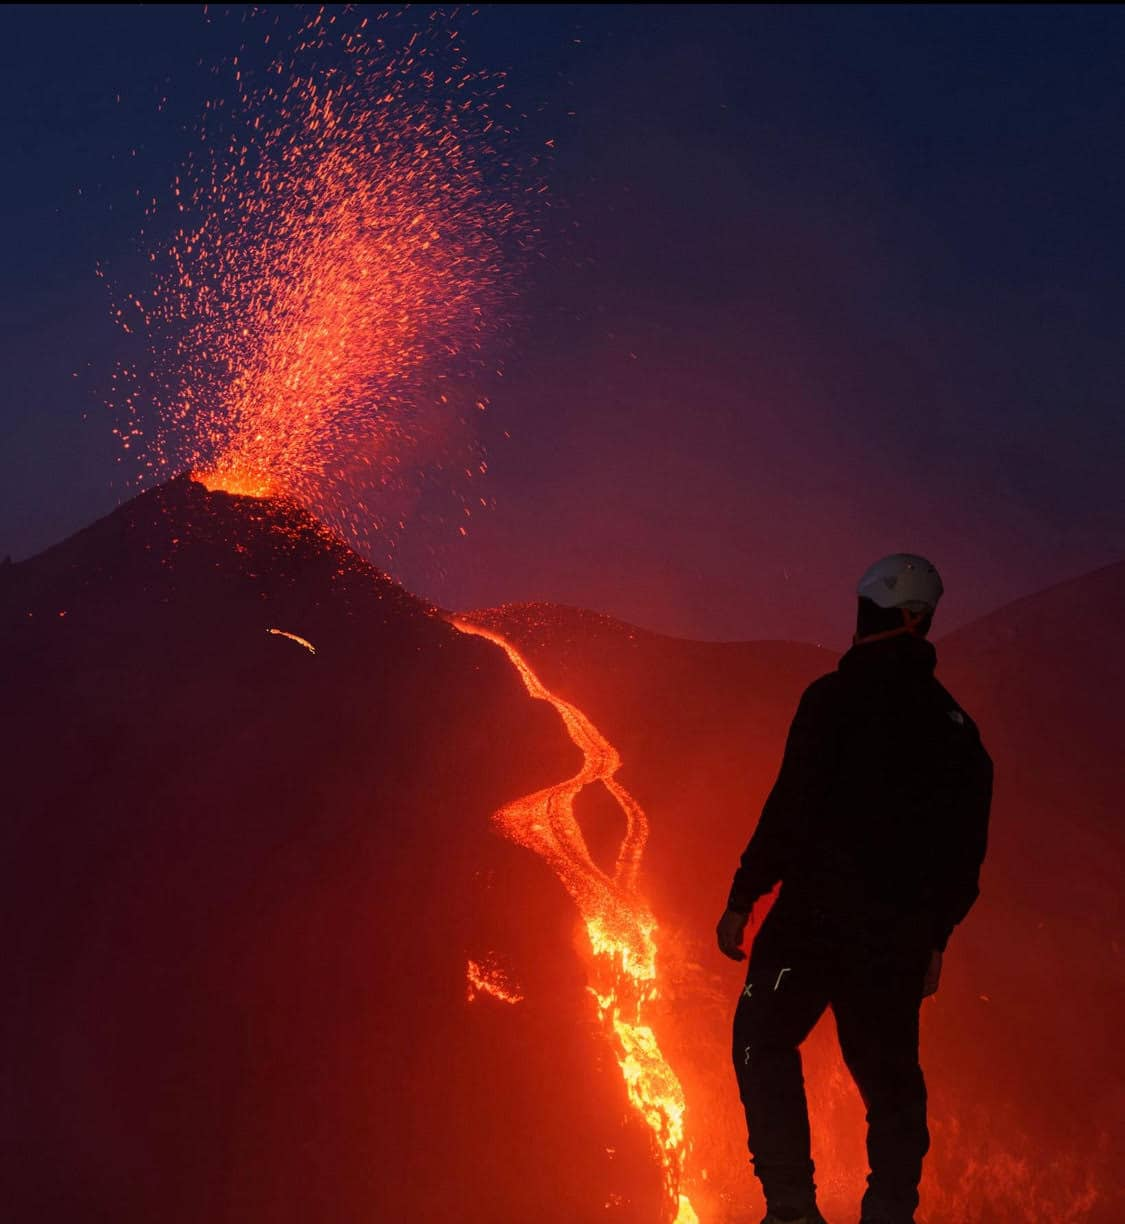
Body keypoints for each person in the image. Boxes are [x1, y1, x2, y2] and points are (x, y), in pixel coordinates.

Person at [716, 553, 993, 1224]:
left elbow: (790, 807)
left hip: (807, 925)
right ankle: (889, 1212)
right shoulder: (956, 731)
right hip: (892, 943)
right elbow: (964, 853)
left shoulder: (829, 700)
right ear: (918, 621)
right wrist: (934, 938)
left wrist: (742, 897)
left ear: (869, 611)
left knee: (760, 1041)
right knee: (891, 1082)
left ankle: (789, 1207)